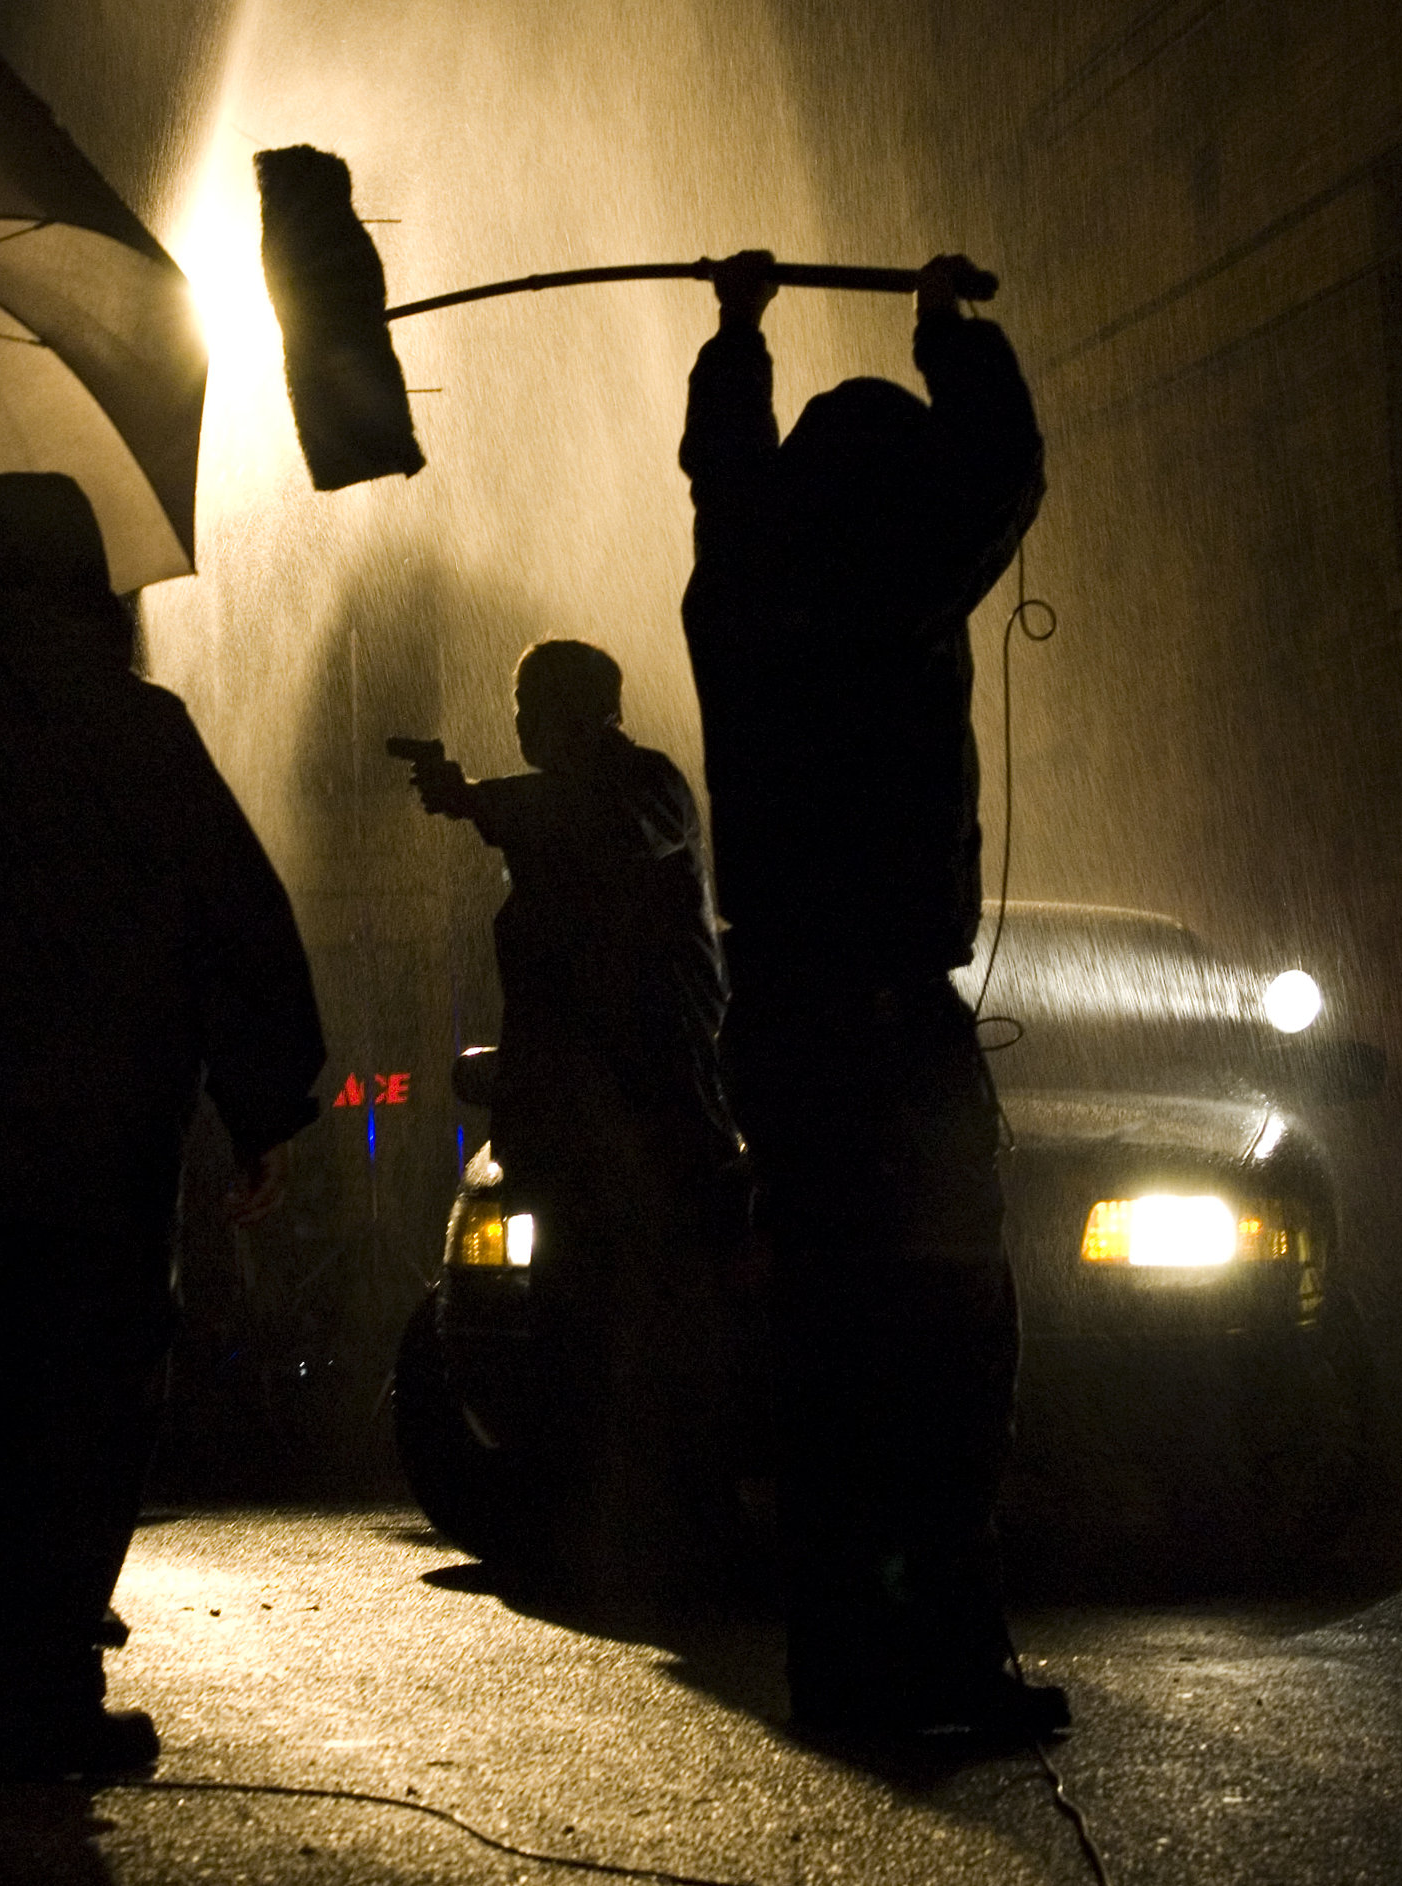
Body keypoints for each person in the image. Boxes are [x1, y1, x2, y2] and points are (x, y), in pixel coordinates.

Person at [0, 472, 325, 1779]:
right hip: (97, 1163)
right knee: (82, 1415)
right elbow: (240, 920)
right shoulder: (142, 731)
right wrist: (262, 1102)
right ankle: (52, 1689)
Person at [678, 250, 1068, 1740]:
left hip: (778, 1018)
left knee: (830, 1366)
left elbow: (724, 478)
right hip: (890, 1027)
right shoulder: (896, 588)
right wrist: (952, 333)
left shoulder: (737, 595)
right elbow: (1004, 473)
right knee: (949, 1356)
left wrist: (735, 336)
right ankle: (950, 1664)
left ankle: (842, 1670)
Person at [397, 641, 740, 1587]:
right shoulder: (560, 814)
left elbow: (605, 828)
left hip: (656, 1105)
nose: (521, 723)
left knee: (679, 1299)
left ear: (582, 712)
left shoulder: (646, 787)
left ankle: (704, 1494)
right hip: (563, 1123)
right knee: (556, 1307)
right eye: (520, 704)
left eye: (532, 704)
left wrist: (479, 799)